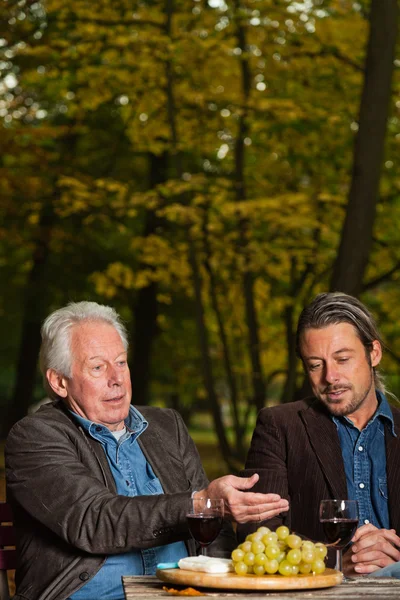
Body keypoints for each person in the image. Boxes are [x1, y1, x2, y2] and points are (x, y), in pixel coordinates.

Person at [5, 301, 288, 600]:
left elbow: (213, 532)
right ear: (59, 382)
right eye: (98, 367)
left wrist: (227, 590)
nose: (117, 379)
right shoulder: (35, 436)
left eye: (121, 362)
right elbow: (94, 520)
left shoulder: (167, 426)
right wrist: (199, 503)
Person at [238, 292, 400, 576]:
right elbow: (258, 531)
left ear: (373, 353)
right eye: (315, 365)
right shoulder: (279, 426)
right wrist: (334, 562)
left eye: (342, 359)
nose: (330, 377)